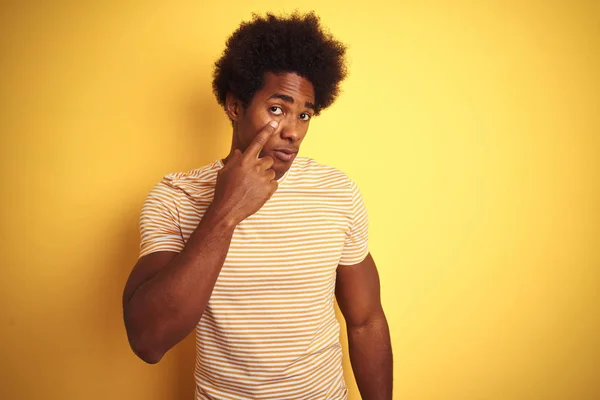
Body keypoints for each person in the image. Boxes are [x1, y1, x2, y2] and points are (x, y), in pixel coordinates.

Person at [122, 11, 392, 400]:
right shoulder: (176, 197)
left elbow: (366, 320)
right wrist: (226, 210)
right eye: (278, 109)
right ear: (235, 106)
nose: (293, 131)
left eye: (304, 114)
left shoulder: (337, 191)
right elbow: (148, 341)